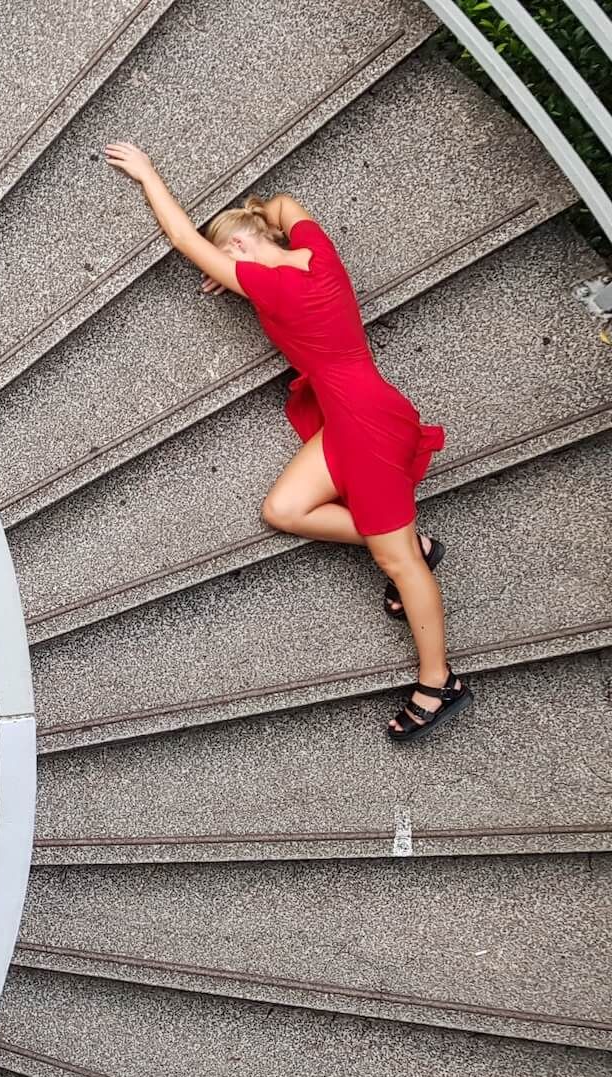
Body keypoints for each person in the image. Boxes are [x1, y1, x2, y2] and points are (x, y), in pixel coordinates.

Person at [102, 141, 471, 742]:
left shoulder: (271, 287)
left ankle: (439, 680)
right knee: (284, 509)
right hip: (356, 410)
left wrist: (148, 174)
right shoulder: (317, 254)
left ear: (237, 250)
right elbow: (282, 203)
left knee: (395, 561)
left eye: (224, 261)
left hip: (366, 426)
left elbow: (182, 237)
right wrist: (243, 255)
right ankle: (416, 544)